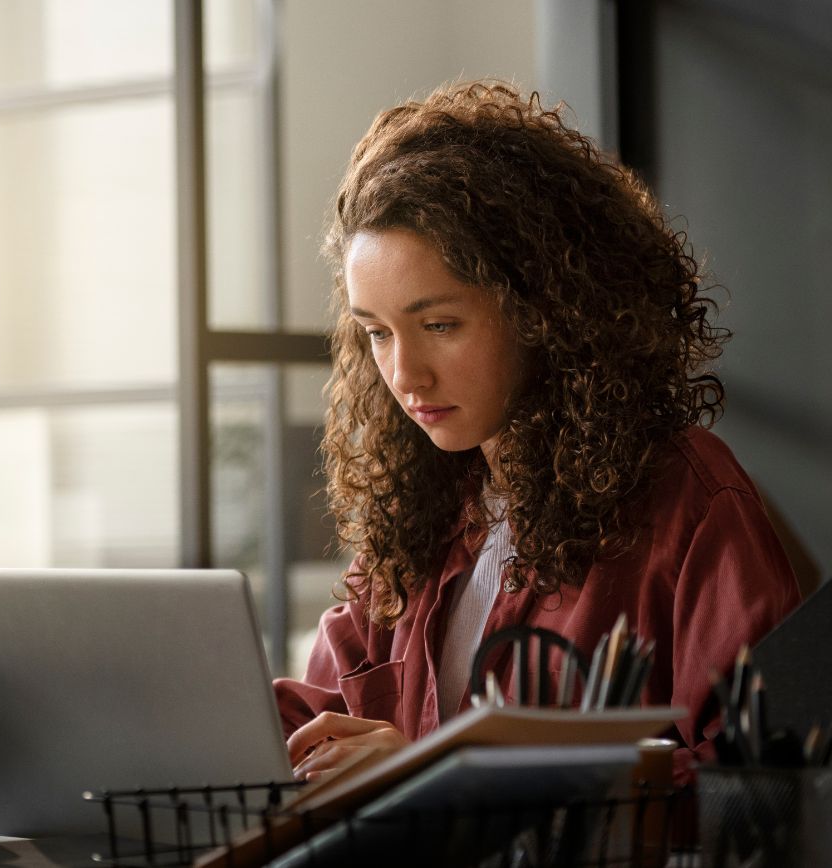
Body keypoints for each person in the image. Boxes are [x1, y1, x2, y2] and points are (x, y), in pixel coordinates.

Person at [277, 81, 800, 784]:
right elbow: (322, 716)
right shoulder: (420, 515)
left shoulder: (690, 505)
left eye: (439, 326)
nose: (405, 375)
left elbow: (758, 782)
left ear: (543, 310)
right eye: (376, 333)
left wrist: (458, 777)